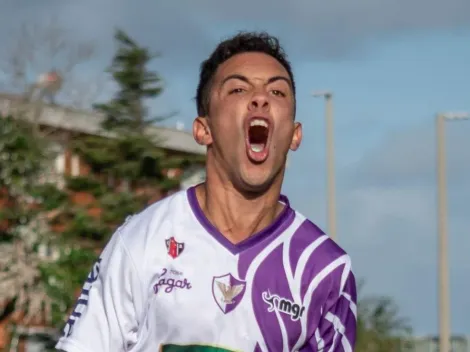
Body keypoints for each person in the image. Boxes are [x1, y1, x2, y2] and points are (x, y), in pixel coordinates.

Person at [55, 31, 357, 352]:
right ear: (203, 129)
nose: (260, 98)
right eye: (239, 89)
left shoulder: (324, 269)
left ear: (295, 135)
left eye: (277, 91)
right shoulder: (142, 239)